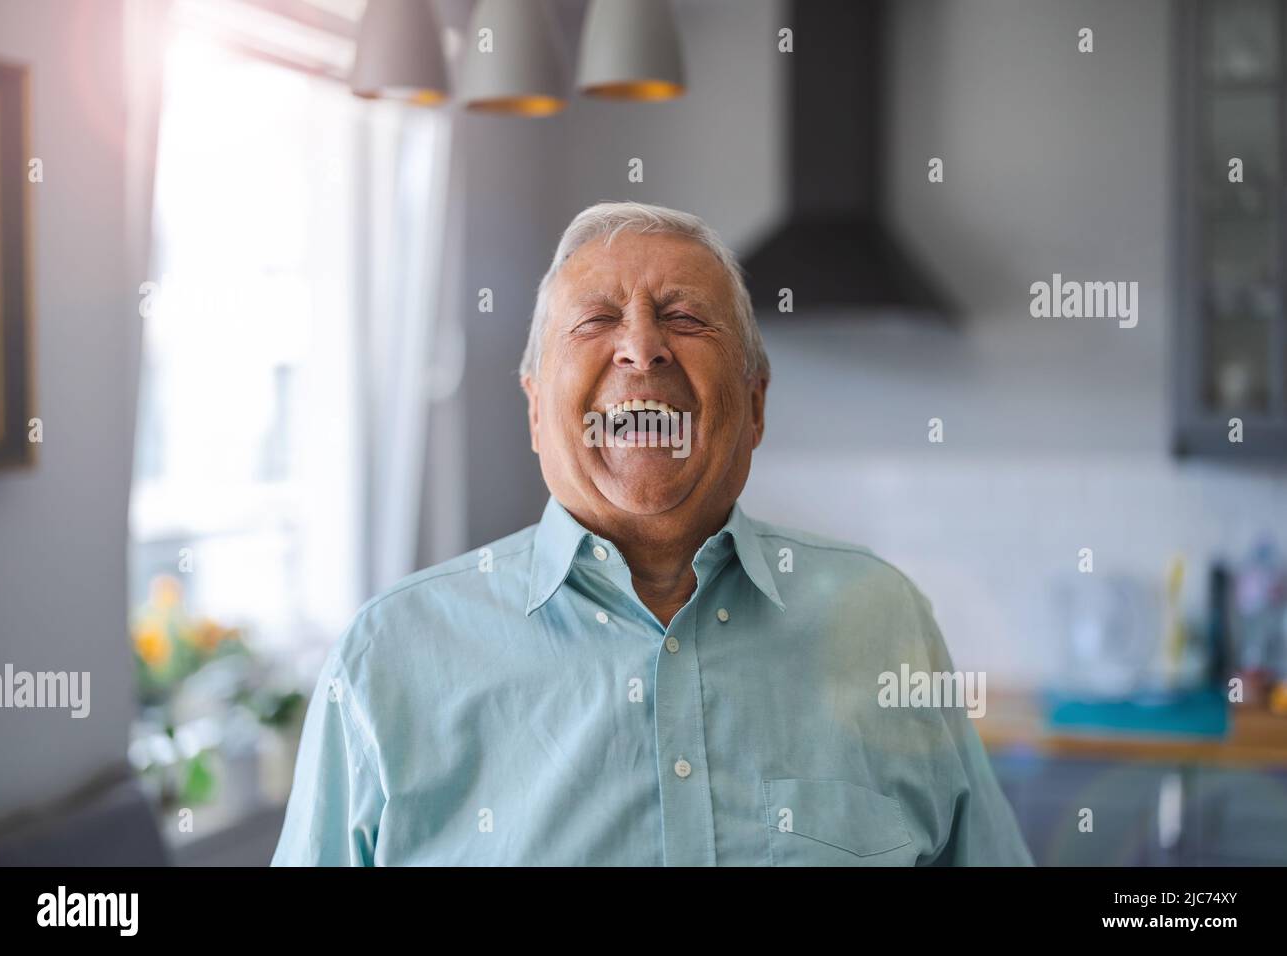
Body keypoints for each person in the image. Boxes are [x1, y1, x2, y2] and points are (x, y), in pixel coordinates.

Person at [271, 201, 1033, 866]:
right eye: (598, 320)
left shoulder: (882, 619)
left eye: (685, 318)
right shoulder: (387, 659)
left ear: (756, 405)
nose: (642, 348)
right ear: (536, 411)